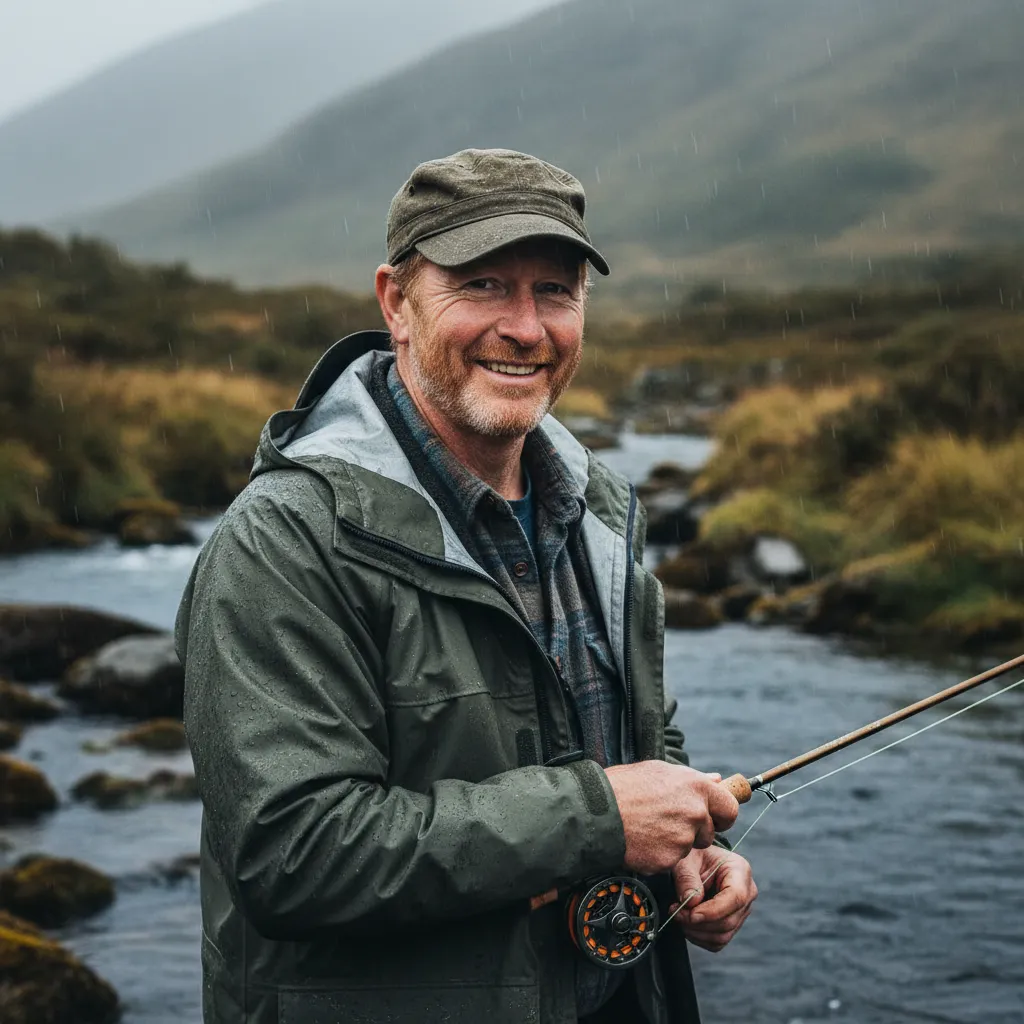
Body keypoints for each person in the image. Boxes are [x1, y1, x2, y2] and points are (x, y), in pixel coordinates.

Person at [176, 148, 757, 1024]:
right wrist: (601, 818)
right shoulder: (283, 541)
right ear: (396, 303)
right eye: (482, 285)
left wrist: (683, 839)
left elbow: (638, 736)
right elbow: (293, 855)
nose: (525, 328)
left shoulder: (598, 510)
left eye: (554, 291)